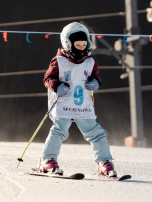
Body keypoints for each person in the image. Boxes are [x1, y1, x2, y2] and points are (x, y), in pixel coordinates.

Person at [40, 22, 116, 177]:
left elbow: (96, 77)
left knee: (97, 133)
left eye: (84, 44)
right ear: (67, 43)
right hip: (64, 104)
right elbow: (47, 78)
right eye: (78, 44)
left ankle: (104, 162)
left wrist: (95, 82)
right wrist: (57, 85)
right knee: (59, 131)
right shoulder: (59, 61)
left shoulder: (90, 61)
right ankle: (47, 160)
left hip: (83, 106)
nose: (82, 47)